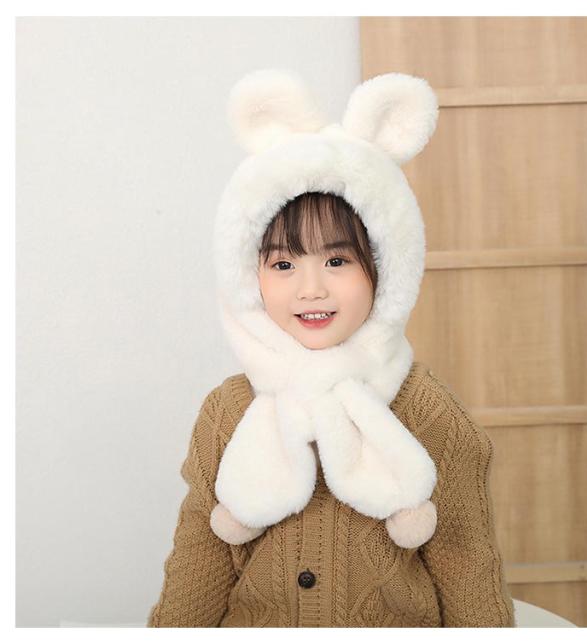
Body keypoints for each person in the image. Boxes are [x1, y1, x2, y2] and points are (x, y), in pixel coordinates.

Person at [147, 69, 515, 627]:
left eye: (337, 260)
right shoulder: (226, 411)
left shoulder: (427, 410)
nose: (310, 288)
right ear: (248, 277)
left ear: (385, 270)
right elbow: (200, 558)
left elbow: (467, 564)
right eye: (283, 264)